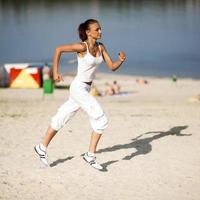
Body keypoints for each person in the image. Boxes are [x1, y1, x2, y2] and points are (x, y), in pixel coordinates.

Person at [34, 19, 126, 170]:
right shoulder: (81, 47)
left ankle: (41, 147)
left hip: (85, 89)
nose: (100, 31)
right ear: (88, 32)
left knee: (62, 116)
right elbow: (58, 49)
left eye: (101, 29)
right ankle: (90, 155)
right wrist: (56, 72)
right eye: (97, 29)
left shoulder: (101, 47)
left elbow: (112, 67)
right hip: (78, 88)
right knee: (101, 118)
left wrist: (120, 60)